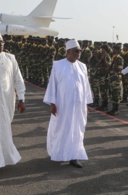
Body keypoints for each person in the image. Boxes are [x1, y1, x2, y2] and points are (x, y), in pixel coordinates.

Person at [43, 39, 93, 168]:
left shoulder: (82, 66)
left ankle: (74, 156)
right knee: (61, 129)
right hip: (63, 105)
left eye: (80, 51)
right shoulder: (58, 65)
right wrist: (52, 103)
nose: (79, 53)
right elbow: (52, 85)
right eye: (76, 51)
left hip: (79, 107)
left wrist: (86, 103)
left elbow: (86, 86)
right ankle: (59, 153)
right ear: (69, 52)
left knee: (77, 130)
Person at [0, 34, 26, 168]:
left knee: (4, 129)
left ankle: (5, 158)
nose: (0, 44)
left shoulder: (10, 58)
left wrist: (21, 98)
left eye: (1, 42)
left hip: (6, 102)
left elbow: (18, 80)